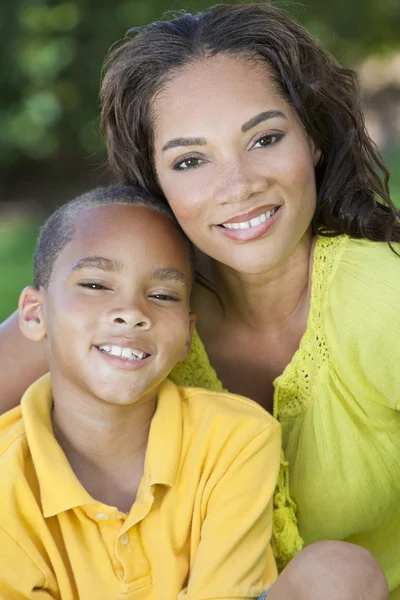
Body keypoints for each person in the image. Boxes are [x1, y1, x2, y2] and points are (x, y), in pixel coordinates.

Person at [0, 2, 397, 598]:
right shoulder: (131, 319)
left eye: (264, 138)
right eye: (190, 160)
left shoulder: (383, 300)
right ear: (152, 180)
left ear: (312, 139)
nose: (238, 185)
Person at [0, 184, 282, 599]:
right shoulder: (7, 482)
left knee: (336, 569)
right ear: (35, 314)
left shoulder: (237, 438)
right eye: (96, 285)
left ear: (188, 335)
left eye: (162, 295)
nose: (132, 313)